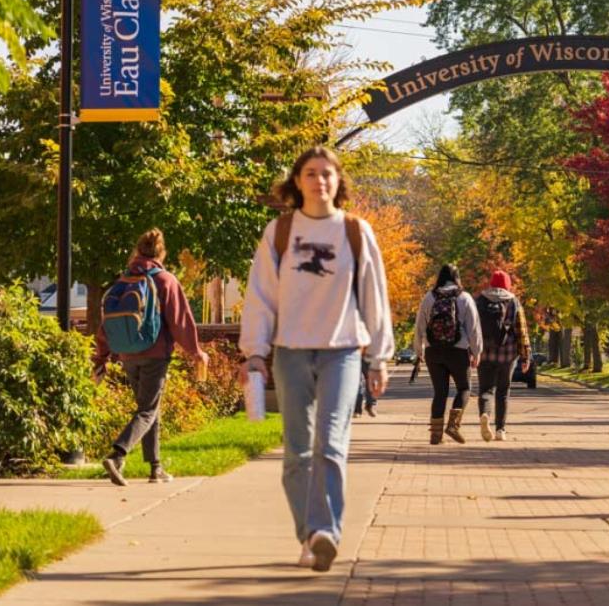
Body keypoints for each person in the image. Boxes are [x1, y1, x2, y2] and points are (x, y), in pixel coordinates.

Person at [239, 145, 394, 573]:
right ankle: (308, 534)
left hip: (342, 352)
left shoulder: (355, 232)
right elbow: (261, 296)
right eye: (310, 173)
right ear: (297, 181)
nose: (319, 180)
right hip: (290, 351)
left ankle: (326, 532)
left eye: (327, 173)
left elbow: (373, 298)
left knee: (330, 444)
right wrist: (255, 352)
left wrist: (379, 357)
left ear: (338, 182)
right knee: (296, 453)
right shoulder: (281, 232)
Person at [93, 228, 207, 487]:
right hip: (155, 354)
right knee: (147, 410)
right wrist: (196, 351)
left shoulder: (122, 281)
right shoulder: (165, 280)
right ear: (161, 252)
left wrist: (101, 356)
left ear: (138, 251)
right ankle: (117, 455)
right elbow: (180, 321)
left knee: (148, 409)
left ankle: (156, 468)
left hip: (128, 354)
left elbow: (106, 324)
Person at [414, 264, 482, 444]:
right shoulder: (465, 298)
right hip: (458, 351)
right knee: (464, 388)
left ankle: (435, 435)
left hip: (433, 351)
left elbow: (419, 325)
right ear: (457, 277)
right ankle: (453, 425)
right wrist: (477, 351)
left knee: (440, 392)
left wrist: (419, 350)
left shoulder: (429, 297)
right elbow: (473, 328)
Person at [475, 270, 531, 442]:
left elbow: (473, 327)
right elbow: (521, 331)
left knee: (485, 390)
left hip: (484, 354)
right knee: (503, 392)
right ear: (507, 284)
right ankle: (500, 430)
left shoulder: (480, 300)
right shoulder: (513, 301)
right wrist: (525, 356)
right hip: (507, 355)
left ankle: (485, 414)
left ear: (491, 283)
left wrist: (471, 351)